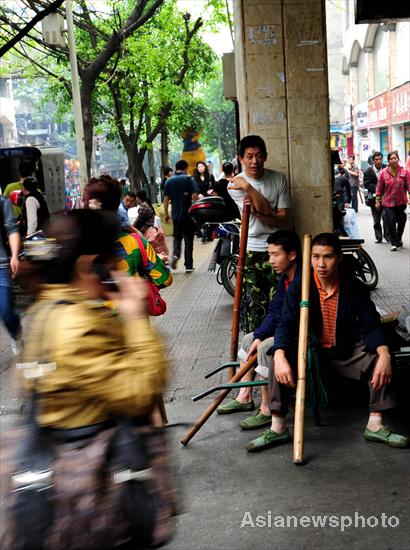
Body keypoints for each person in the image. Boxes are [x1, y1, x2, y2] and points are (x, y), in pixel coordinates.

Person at [13, 209, 169, 544]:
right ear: (89, 265)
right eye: (113, 262)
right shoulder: (77, 326)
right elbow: (142, 389)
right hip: (94, 492)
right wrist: (136, 319)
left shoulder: (45, 310)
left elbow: (29, 378)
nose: (118, 270)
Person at [248, 232, 409, 452]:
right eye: (315, 257)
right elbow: (284, 323)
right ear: (310, 258)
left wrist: (384, 354)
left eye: (327, 257)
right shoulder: (301, 287)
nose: (321, 264)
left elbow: (371, 324)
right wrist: (279, 354)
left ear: (339, 258)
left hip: (344, 352)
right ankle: (277, 427)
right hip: (312, 353)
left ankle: (375, 423)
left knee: (377, 358)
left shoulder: (353, 287)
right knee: (278, 357)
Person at [217, 230, 301, 439]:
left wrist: (263, 339)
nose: (270, 260)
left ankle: (266, 407)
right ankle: (245, 396)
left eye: (275, 255)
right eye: (269, 254)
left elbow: (287, 320)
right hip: (284, 328)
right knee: (249, 339)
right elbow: (274, 311)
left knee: (265, 346)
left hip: (298, 333)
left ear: (291, 255)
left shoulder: (301, 280)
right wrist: (259, 335)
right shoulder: (284, 279)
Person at [228, 135, 291, 333]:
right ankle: (254, 349)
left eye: (259, 155)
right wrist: (270, 214)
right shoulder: (234, 184)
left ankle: (277, 347)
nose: (254, 161)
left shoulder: (279, 178)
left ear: (265, 156)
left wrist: (249, 189)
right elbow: (268, 211)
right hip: (251, 249)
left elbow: (280, 217)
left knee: (280, 301)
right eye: (249, 156)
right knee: (255, 304)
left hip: (277, 249)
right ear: (241, 159)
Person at [83, 175, 172, 288]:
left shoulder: (73, 246)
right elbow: (164, 280)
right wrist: (155, 260)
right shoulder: (135, 244)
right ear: (116, 207)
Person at [163, 159, 199, 272]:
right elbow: (194, 196)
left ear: (176, 168)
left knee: (177, 237)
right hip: (188, 214)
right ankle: (188, 265)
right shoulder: (189, 179)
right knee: (189, 239)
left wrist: (166, 214)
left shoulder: (168, 181)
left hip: (175, 215)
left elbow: (166, 199)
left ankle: (175, 255)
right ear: (186, 168)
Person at [0, 194, 22, 355]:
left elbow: (11, 229)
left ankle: (16, 332)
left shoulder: (2, 201)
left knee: (7, 312)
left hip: (1, 266)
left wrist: (14, 255)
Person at [376, 151, 410, 252]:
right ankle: (394, 243)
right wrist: (377, 201)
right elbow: (379, 189)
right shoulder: (383, 173)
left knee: (402, 219)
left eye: (395, 158)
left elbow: (409, 187)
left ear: (398, 159)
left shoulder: (405, 172)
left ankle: (398, 238)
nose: (393, 160)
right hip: (388, 203)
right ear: (388, 161)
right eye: (391, 159)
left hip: (401, 202)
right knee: (390, 220)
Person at [363, 151, 389, 243]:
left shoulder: (387, 168)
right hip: (374, 199)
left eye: (380, 159)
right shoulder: (368, 171)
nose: (378, 161)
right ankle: (378, 237)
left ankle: (387, 235)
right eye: (376, 159)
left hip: (386, 198)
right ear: (373, 160)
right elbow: (366, 184)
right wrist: (379, 188)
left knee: (386, 217)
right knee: (376, 220)